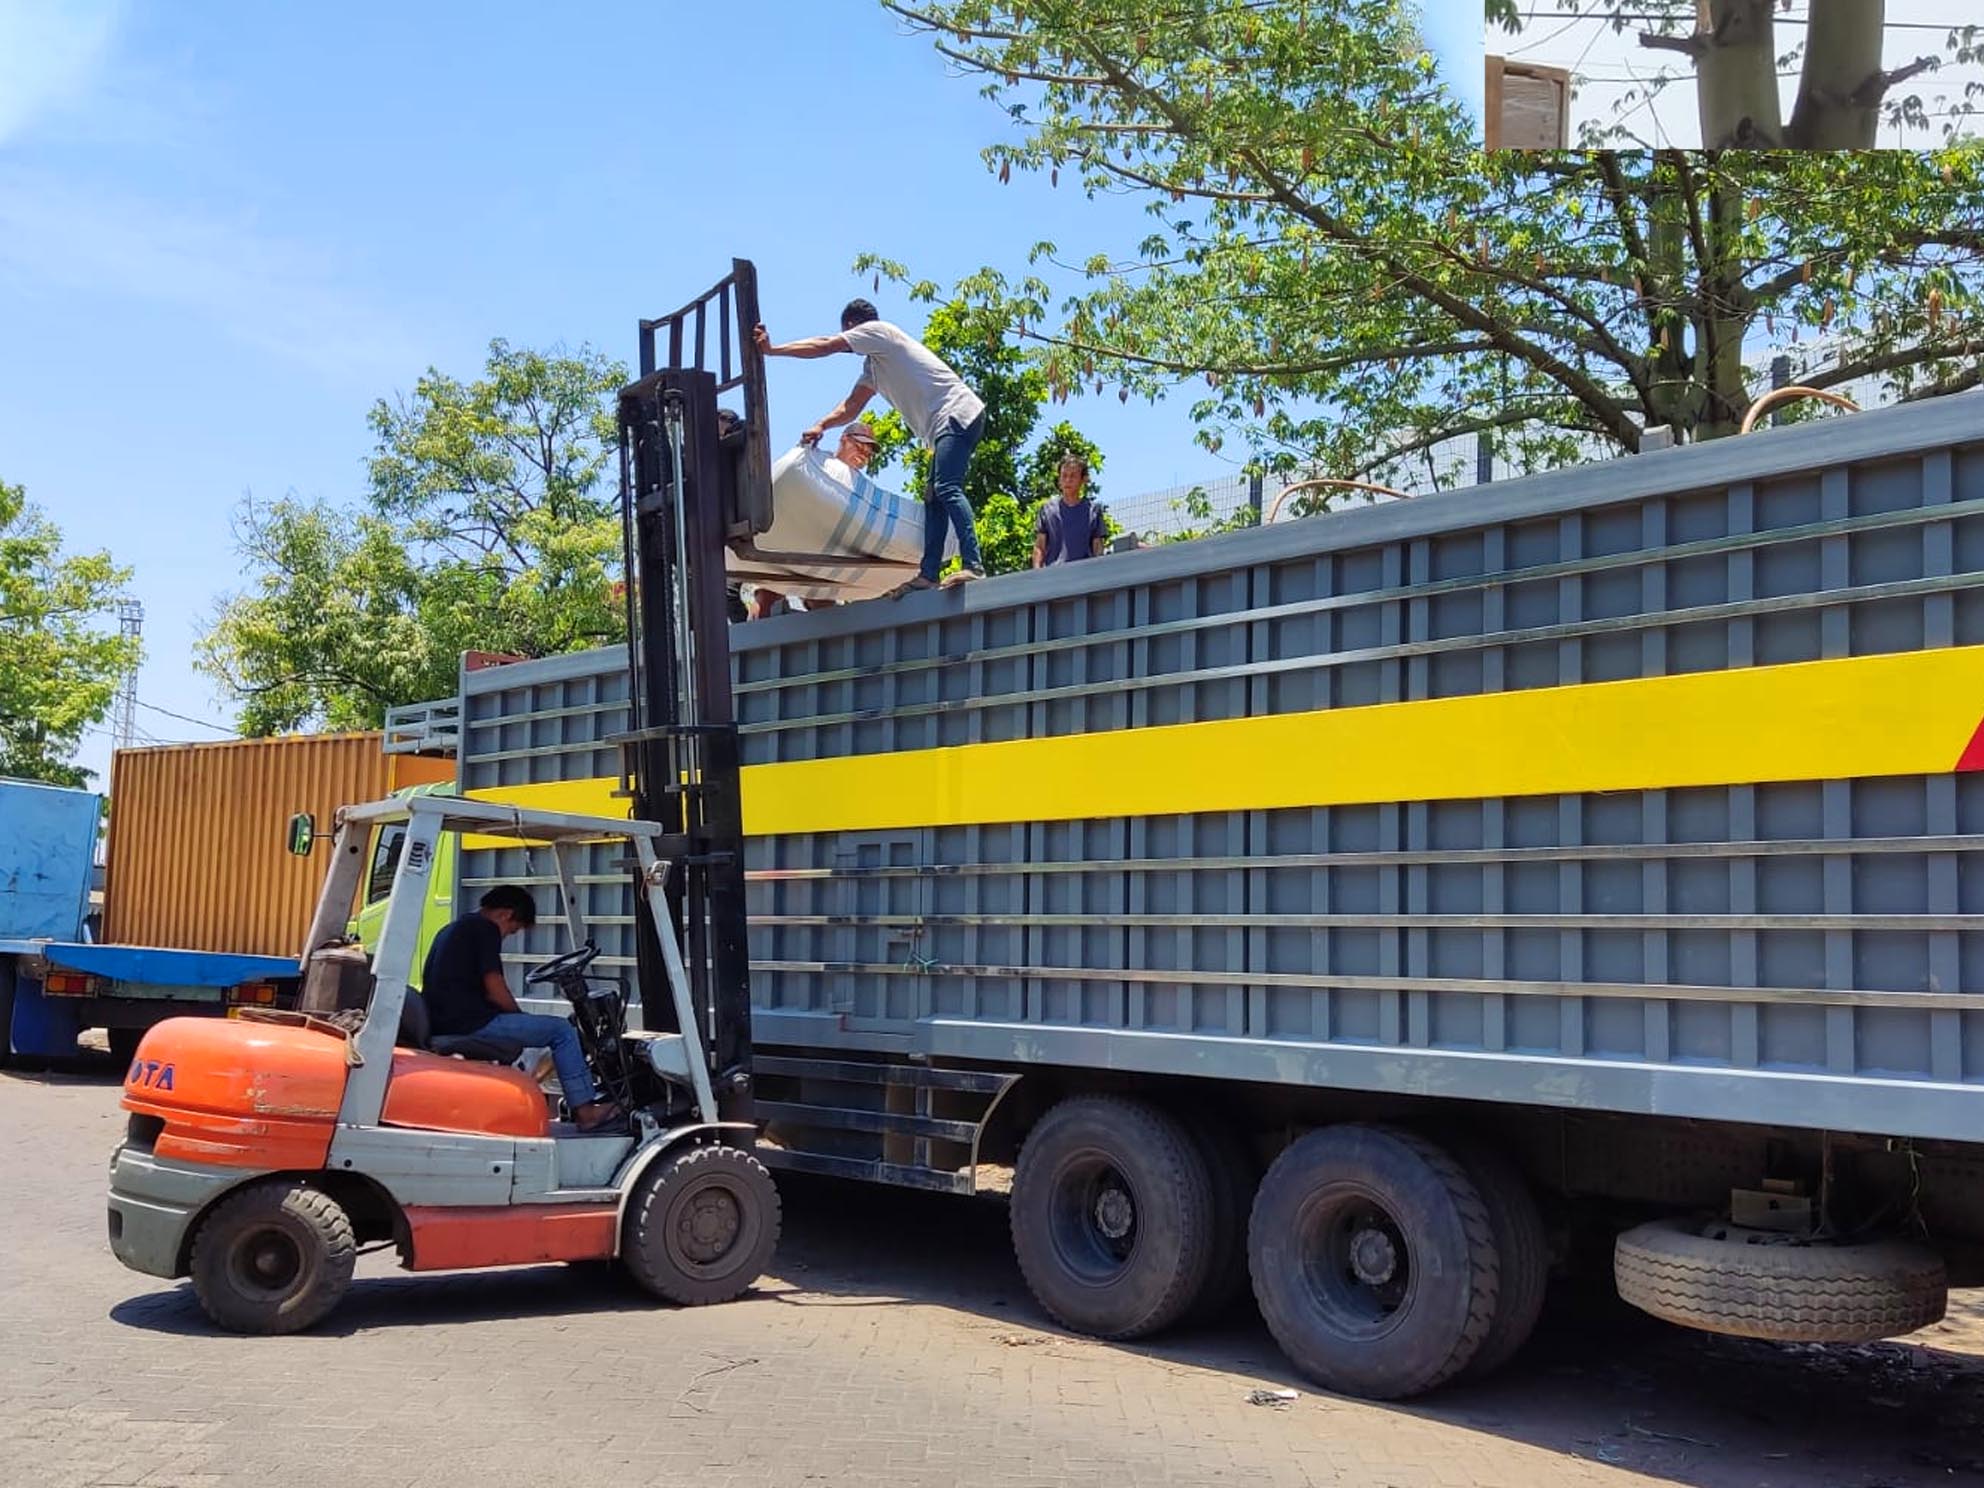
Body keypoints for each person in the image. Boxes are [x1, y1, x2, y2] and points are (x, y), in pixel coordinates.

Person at [755, 301, 987, 595]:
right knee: (934, 498)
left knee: (946, 487)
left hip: (957, 413)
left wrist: (774, 351)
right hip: (945, 424)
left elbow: (826, 345)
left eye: (848, 335)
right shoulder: (875, 366)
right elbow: (851, 407)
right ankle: (929, 574)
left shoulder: (879, 332)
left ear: (854, 326)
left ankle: (974, 565)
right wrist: (822, 425)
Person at [419, 885, 623, 1132]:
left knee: (544, 1028)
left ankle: (555, 1097)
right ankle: (586, 1112)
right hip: (471, 1023)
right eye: (512, 931)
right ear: (506, 914)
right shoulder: (484, 929)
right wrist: (519, 1016)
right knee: (561, 1030)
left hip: (449, 1019)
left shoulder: (453, 928)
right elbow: (494, 985)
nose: (507, 935)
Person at [1033, 453, 1107, 568]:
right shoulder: (1047, 510)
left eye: (1073, 476)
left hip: (1084, 575)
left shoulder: (1093, 511)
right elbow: (1040, 547)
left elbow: (1097, 547)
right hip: (1054, 576)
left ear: (1083, 479)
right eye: (1064, 475)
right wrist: (1036, 575)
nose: (1068, 480)